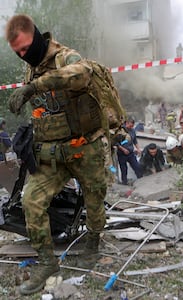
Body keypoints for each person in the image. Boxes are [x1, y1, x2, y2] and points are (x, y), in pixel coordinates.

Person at [5, 14, 124, 295]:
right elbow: (44, 111)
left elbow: (82, 74)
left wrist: (36, 86)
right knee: (31, 202)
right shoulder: (30, 70)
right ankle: (47, 262)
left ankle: (93, 238)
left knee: (95, 200)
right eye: (17, 53)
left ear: (35, 35)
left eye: (25, 48)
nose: (23, 56)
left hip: (86, 149)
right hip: (53, 154)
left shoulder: (66, 57)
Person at [117, 118, 143, 185]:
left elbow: (135, 141)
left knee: (136, 166)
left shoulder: (132, 131)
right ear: (127, 123)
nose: (131, 127)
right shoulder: (120, 131)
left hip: (130, 153)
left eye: (132, 126)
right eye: (130, 126)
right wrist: (123, 149)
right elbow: (116, 143)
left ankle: (141, 180)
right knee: (124, 169)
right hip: (122, 153)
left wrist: (138, 149)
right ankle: (124, 182)